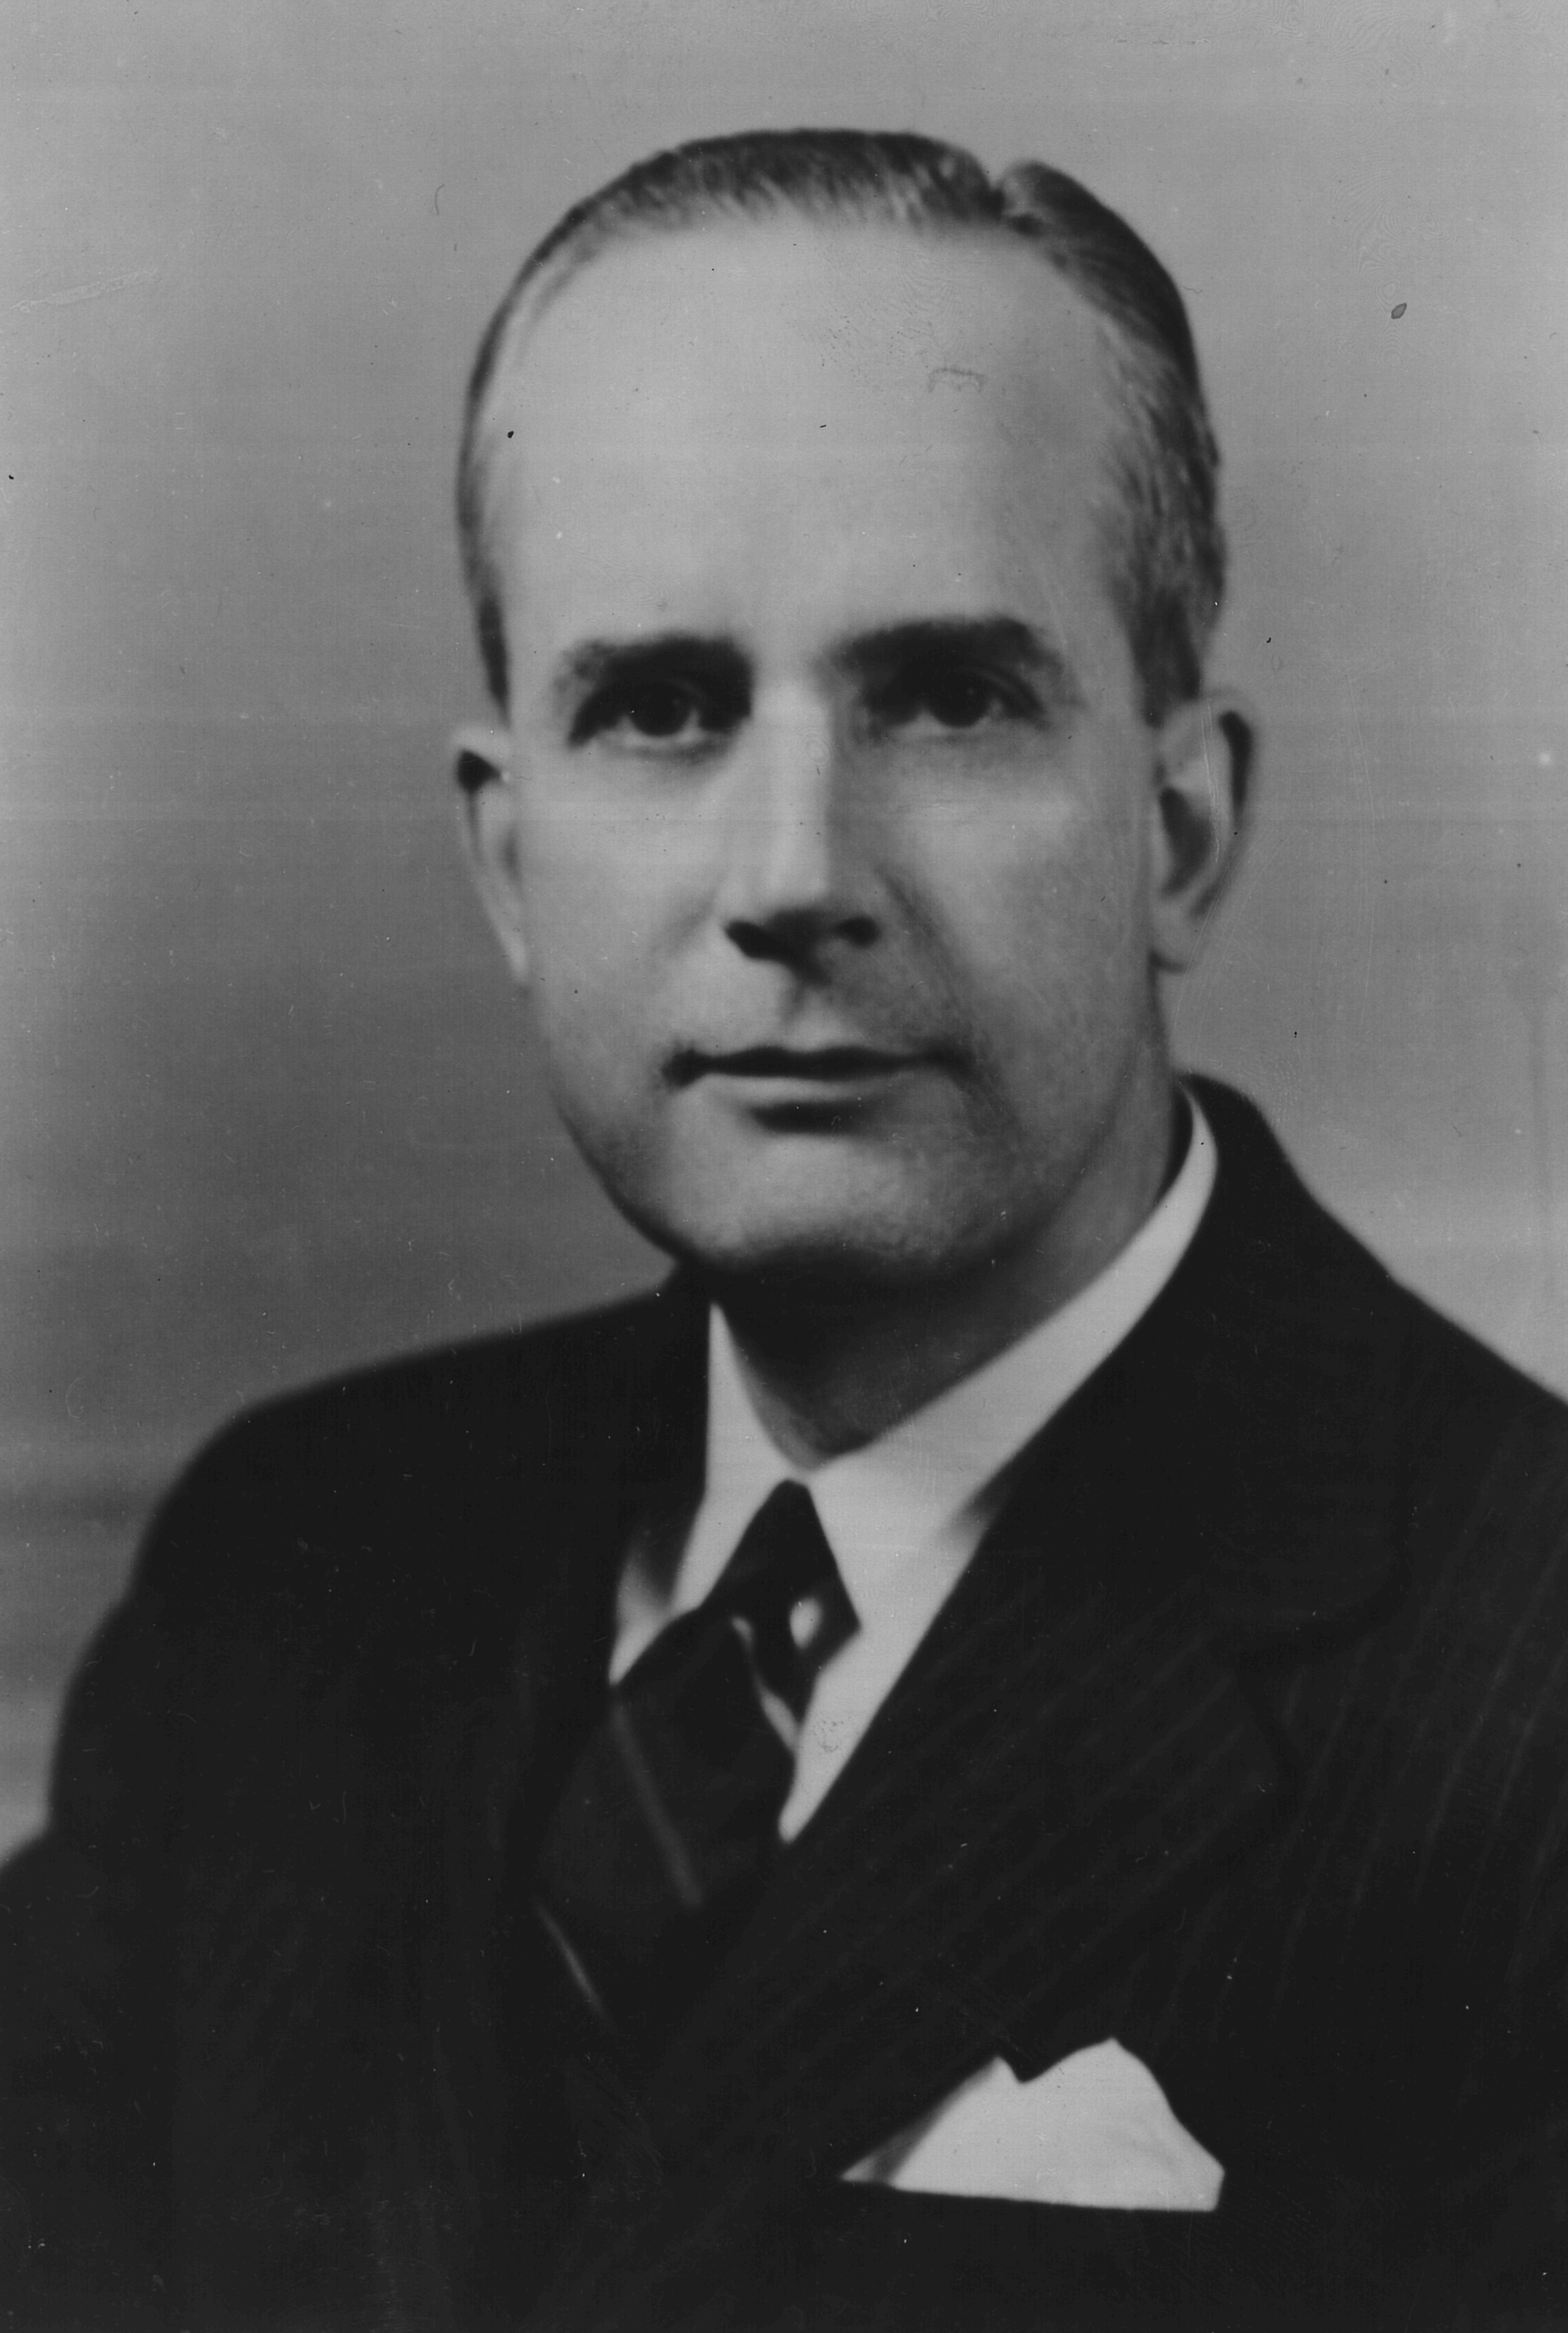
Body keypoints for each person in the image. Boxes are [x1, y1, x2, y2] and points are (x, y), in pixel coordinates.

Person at [4, 127, 1568, 2333]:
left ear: (1180, 830)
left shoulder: (1528, 1697)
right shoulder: (287, 1574)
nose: (793, 872)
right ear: (510, 862)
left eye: (947, 694)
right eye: (659, 708)